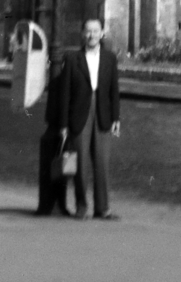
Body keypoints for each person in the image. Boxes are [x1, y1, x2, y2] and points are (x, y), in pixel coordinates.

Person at [60, 18, 121, 219]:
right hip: (79, 114)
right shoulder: (72, 58)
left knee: (102, 163)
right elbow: (65, 93)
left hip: (103, 114)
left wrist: (116, 119)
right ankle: (81, 207)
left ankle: (102, 208)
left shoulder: (110, 58)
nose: (92, 35)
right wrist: (63, 124)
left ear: (102, 33)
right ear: (82, 34)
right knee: (80, 163)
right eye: (88, 31)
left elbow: (114, 91)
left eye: (96, 31)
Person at [35, 61, 69, 216]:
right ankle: (55, 203)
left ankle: (58, 203)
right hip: (59, 126)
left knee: (67, 161)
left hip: (64, 125)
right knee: (64, 160)